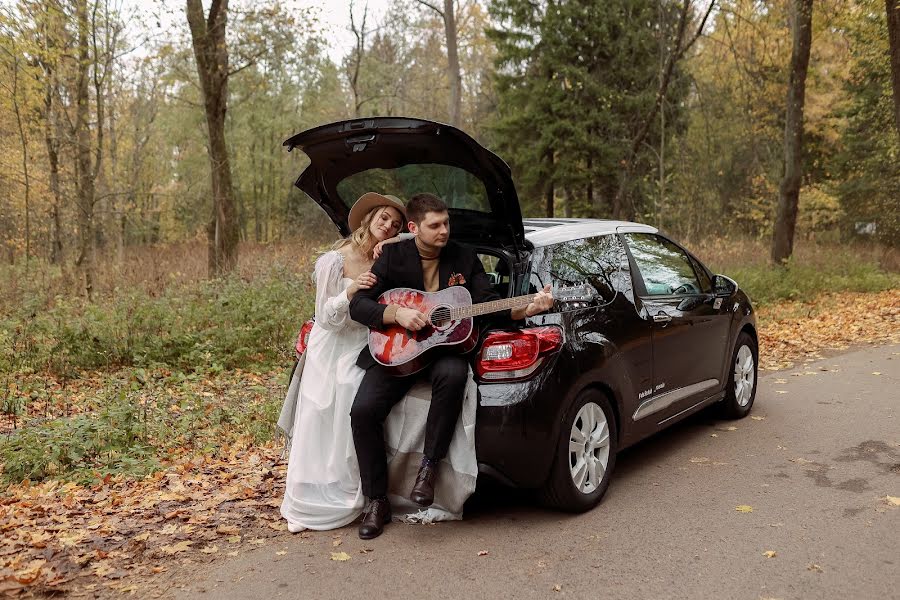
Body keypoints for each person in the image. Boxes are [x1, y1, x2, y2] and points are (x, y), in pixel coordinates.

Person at [349, 193, 554, 539]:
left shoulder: (464, 256)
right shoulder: (392, 257)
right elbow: (360, 307)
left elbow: (488, 304)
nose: (444, 230)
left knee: (454, 373)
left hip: (443, 350)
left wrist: (527, 308)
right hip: (396, 350)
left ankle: (429, 470)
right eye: (435, 225)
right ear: (414, 228)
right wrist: (396, 313)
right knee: (362, 411)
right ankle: (376, 501)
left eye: (446, 223)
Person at [279, 192, 405, 532]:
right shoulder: (334, 260)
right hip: (331, 342)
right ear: (368, 219)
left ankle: (349, 488)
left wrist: (389, 249)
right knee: (319, 414)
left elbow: (417, 242)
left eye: (395, 224)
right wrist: (350, 292)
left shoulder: (387, 256)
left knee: (351, 402)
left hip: (363, 343)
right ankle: (311, 497)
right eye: (383, 218)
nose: (388, 226)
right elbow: (325, 316)